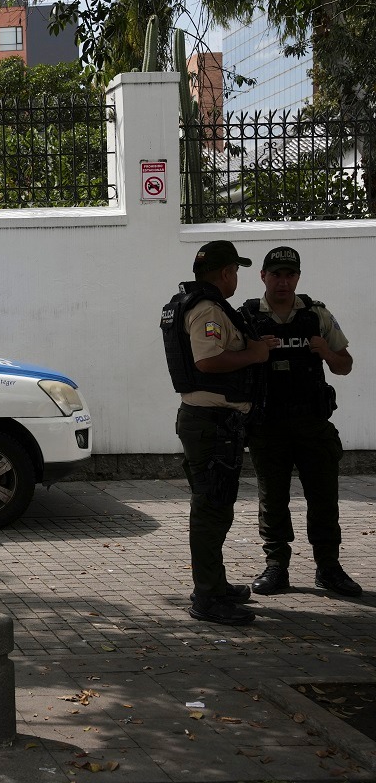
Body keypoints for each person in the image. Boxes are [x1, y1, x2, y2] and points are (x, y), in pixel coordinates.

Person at [240, 247, 360, 597]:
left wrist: (326, 351)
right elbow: (228, 365)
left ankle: (329, 568)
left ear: (297, 277)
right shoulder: (246, 317)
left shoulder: (316, 315)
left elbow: (345, 365)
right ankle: (276, 567)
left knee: (324, 498)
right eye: (276, 273)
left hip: (312, 424)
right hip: (268, 426)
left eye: (289, 274)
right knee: (272, 499)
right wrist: (254, 352)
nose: (283, 281)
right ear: (263, 276)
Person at [161, 240, 269, 625]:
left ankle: (215, 585)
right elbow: (207, 361)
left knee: (216, 506)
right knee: (211, 509)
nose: (236, 277)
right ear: (225, 273)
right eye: (236, 271)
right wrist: (255, 355)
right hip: (211, 423)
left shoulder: (198, 305)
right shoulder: (207, 308)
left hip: (212, 421)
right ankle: (207, 598)